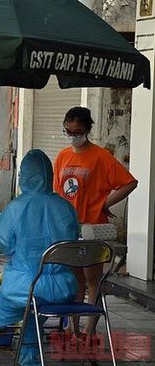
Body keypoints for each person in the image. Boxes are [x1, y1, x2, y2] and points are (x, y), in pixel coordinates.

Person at [0, 149, 80, 366]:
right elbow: (73, 240)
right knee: (32, 314)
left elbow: (1, 241)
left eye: (21, 174)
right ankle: (28, 357)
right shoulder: (65, 207)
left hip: (25, 286)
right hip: (62, 288)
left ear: (27, 176)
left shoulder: (18, 207)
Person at [53, 106, 137, 340]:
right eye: (68, 131)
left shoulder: (101, 157)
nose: (73, 136)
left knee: (93, 282)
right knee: (75, 280)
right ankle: (72, 327)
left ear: (88, 130)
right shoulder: (62, 157)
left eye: (77, 131)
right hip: (70, 227)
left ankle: (90, 331)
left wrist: (104, 203)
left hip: (92, 228)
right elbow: (57, 192)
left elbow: (129, 183)